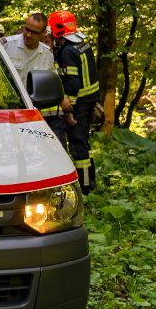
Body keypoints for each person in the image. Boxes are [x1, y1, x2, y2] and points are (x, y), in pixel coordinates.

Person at [49, 10, 100, 194]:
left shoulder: (68, 51)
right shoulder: (82, 44)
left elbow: (72, 83)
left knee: (78, 146)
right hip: (89, 101)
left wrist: (69, 110)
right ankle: (89, 183)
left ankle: (85, 188)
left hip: (78, 106)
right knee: (83, 143)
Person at [1, 13, 65, 142]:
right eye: (27, 29)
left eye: (34, 32)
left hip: (32, 116)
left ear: (43, 34)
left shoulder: (47, 54)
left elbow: (50, 84)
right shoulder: (6, 45)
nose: (28, 35)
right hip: (6, 112)